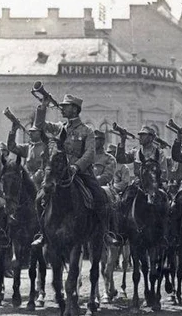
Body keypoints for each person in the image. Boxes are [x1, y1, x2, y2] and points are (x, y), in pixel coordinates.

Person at [31, 93, 112, 249]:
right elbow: (39, 125)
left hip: (81, 172)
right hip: (59, 171)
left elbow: (90, 153)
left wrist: (77, 166)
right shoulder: (60, 128)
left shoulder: (87, 131)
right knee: (39, 198)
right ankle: (42, 234)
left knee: (100, 195)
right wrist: (43, 106)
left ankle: (105, 233)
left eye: (66, 106)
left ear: (75, 109)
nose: (62, 109)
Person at [7, 122, 48, 189]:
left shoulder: (46, 148)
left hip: (42, 182)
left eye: (33, 132)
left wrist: (33, 179)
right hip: (28, 179)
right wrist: (13, 131)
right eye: (30, 131)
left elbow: (45, 167)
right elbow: (11, 147)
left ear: (40, 133)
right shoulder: (28, 147)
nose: (30, 134)